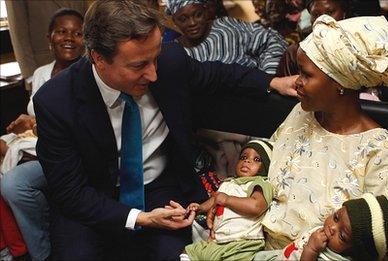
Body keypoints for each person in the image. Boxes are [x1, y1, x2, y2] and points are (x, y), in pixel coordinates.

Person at [32, 1, 296, 259]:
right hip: (91, 198)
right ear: (99, 58)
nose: (153, 74)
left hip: (160, 187)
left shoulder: (169, 61)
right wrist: (140, 218)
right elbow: (70, 193)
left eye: (155, 59)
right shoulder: (55, 102)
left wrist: (273, 81)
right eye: (138, 66)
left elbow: (217, 75)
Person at [261, 15, 388, 249]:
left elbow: (387, 245)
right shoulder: (301, 113)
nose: (297, 81)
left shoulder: (379, 152)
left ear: (340, 83)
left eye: (306, 75)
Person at [0, 8, 84, 261]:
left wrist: (34, 125)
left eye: (78, 33)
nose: (69, 38)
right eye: (61, 31)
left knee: (14, 184)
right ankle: (11, 245)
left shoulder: (87, 76)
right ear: (49, 39)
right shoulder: (40, 74)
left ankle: (41, 252)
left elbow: (77, 131)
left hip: (67, 152)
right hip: (36, 143)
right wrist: (23, 130)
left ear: (86, 41)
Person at [256, 193, 388, 260]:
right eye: (336, 217)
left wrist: (311, 251)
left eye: (342, 237)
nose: (332, 228)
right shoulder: (329, 238)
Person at [180, 140, 274, 261]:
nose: (247, 161)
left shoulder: (260, 183)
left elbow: (256, 206)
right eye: (243, 157)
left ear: (265, 166)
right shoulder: (229, 182)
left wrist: (227, 199)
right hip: (218, 241)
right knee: (189, 251)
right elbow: (216, 199)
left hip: (243, 243)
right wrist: (200, 208)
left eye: (256, 159)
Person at [167, 0, 288, 75]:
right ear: (174, 21)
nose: (192, 23)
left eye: (198, 15)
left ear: (206, 11)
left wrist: (267, 78)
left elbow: (271, 40)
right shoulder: (174, 52)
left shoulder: (226, 27)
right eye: (183, 19)